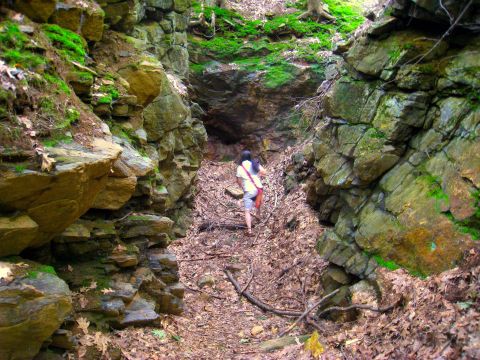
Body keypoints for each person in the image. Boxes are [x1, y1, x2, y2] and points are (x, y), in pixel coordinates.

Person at [236, 150, 266, 236]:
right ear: (250, 157)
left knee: (247, 211)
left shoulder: (240, 167)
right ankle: (259, 216)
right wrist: (257, 175)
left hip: (249, 190)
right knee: (258, 201)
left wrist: (242, 187)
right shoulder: (254, 163)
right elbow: (264, 172)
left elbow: (238, 181)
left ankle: (249, 231)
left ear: (242, 158)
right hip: (259, 188)